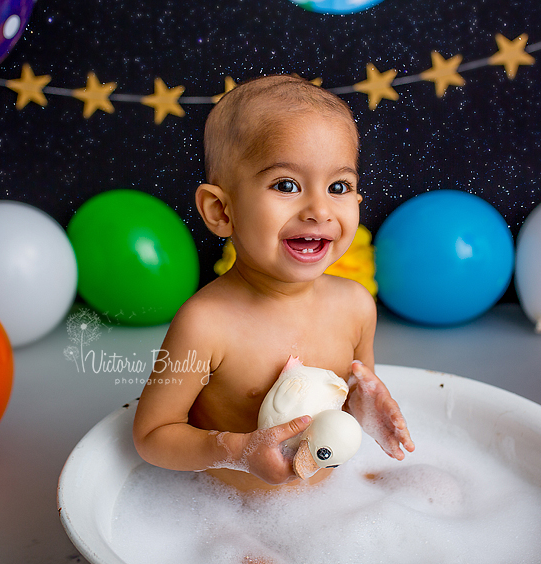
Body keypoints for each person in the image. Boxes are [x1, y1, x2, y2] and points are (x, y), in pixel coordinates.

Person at [132, 73, 415, 492]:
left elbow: (351, 395)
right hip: (234, 515)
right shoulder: (206, 324)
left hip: (332, 497)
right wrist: (238, 451)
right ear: (221, 211)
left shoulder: (355, 307)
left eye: (339, 186)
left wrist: (370, 404)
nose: (319, 209)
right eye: (287, 185)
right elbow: (152, 436)